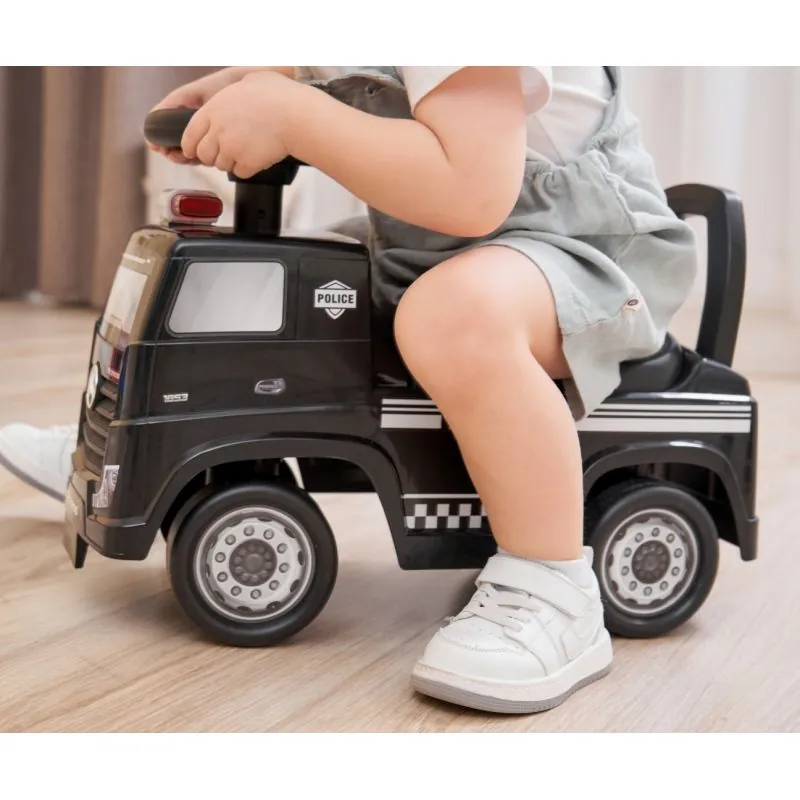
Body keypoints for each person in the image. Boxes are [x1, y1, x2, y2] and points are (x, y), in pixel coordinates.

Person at [0, 66, 697, 715]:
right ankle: (129, 449)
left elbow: (470, 189)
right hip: (439, 247)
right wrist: (259, 84)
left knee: (452, 318)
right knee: (295, 269)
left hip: (585, 255)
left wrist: (293, 116)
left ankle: (554, 586)